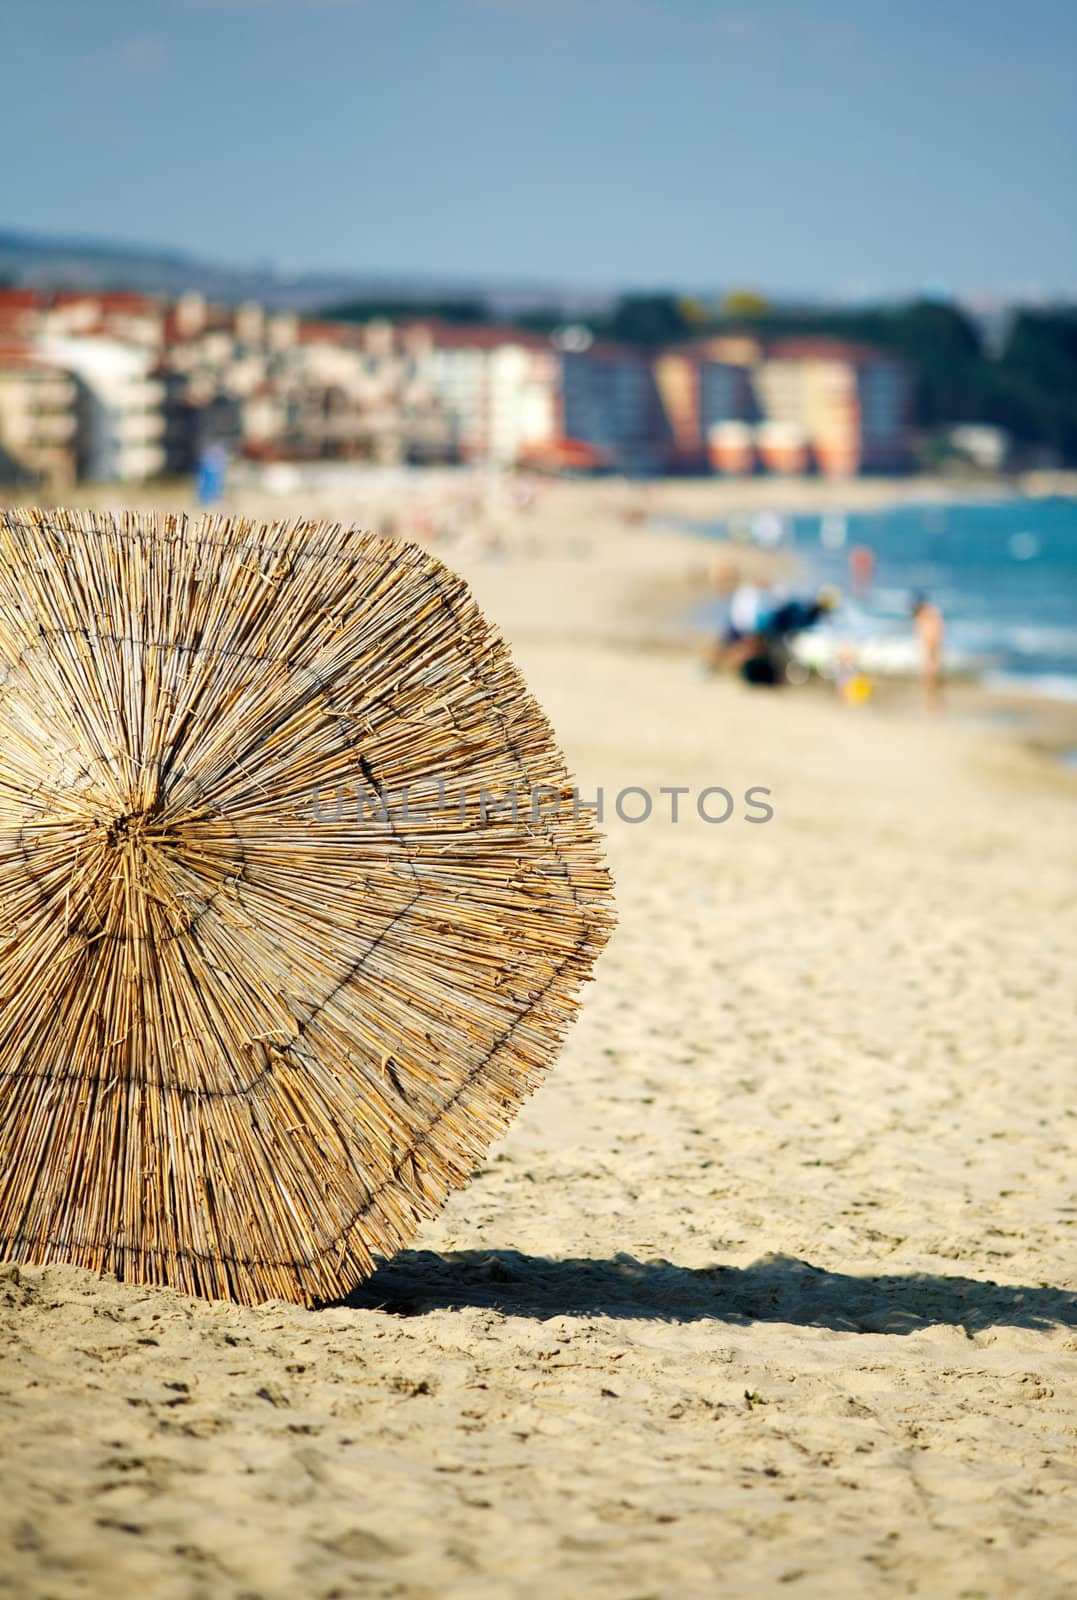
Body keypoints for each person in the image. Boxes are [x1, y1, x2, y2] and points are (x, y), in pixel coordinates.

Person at [911, 593, 944, 710]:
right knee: (928, 674)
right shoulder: (926, 614)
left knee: (930, 673)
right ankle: (931, 701)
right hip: (929, 645)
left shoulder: (929, 613)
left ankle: (932, 702)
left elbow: (935, 631)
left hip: (931, 645)